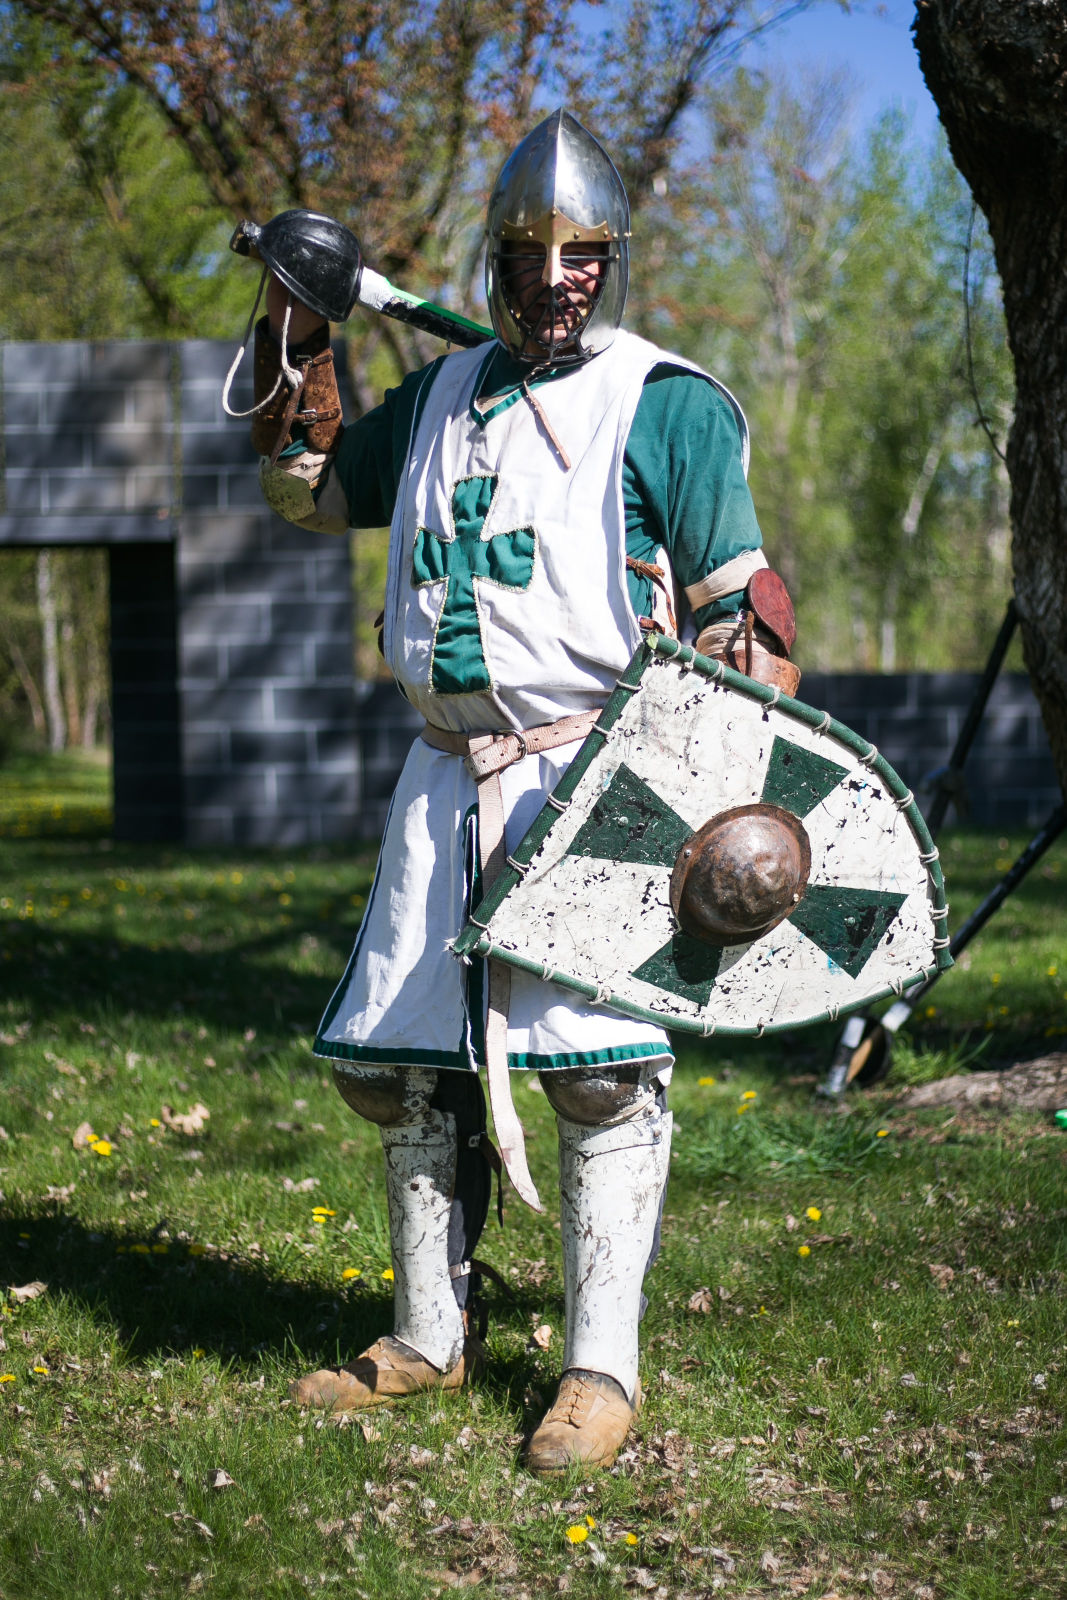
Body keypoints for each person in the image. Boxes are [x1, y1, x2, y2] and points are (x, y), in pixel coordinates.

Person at [248, 109, 797, 1473]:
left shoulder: (666, 403)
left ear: (611, 260)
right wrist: (295, 334)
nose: (561, 276)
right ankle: (431, 1333)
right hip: (442, 782)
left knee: (599, 1077)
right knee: (401, 1069)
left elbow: (749, 615)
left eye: (585, 254)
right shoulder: (436, 397)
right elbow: (308, 489)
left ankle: (599, 1370)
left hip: (592, 777)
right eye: (535, 254)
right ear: (494, 257)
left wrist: (733, 806)